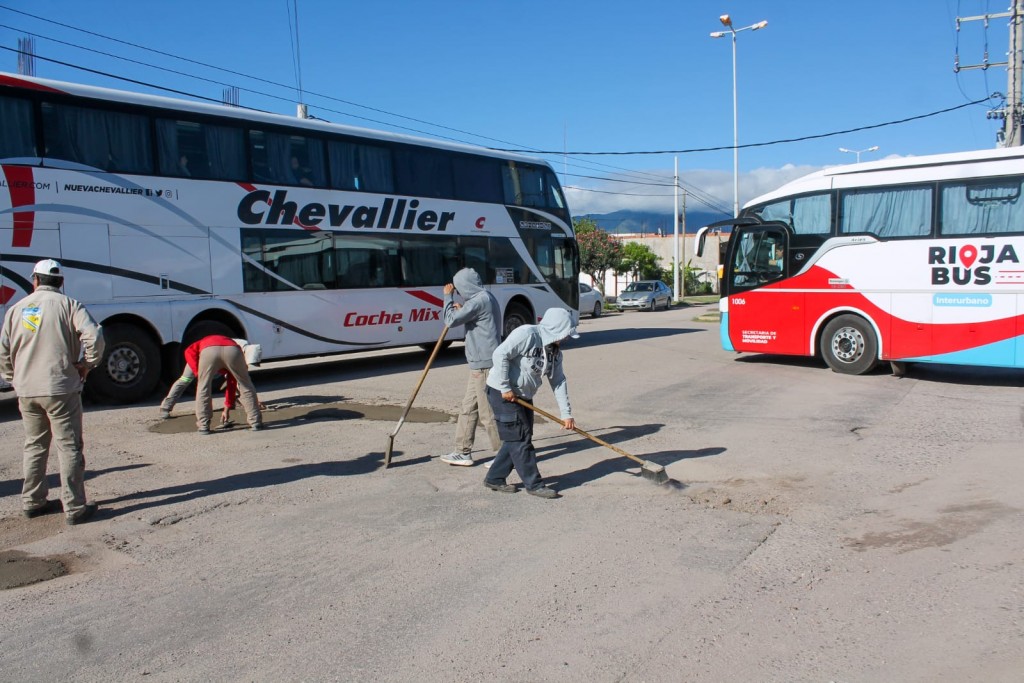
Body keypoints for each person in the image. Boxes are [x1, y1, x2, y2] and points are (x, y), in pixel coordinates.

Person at [0, 259, 105, 525]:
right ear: (61, 282)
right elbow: (95, 336)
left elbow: (4, 350)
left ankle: (33, 502)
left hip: (26, 390)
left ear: (34, 280)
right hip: (59, 387)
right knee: (68, 445)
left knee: (35, 445)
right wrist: (87, 364)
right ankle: (74, 507)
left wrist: (14, 378)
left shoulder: (16, 310)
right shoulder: (70, 305)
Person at [483, 307, 578, 499]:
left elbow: (558, 381)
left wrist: (566, 414)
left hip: (523, 395)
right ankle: (534, 484)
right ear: (555, 328)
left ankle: (494, 477)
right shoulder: (527, 334)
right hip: (502, 393)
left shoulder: (555, 352)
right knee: (519, 439)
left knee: (519, 436)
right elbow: (500, 354)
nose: (566, 338)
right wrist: (504, 387)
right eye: (565, 333)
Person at [439, 268, 502, 467]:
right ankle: (462, 451)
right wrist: (461, 307)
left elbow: (450, 321)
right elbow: (470, 314)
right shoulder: (485, 297)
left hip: (484, 365)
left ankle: (505, 455)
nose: (458, 292)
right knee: (468, 408)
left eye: (458, 289)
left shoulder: (479, 300)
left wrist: (447, 298)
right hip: (478, 364)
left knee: (488, 413)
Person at [159, 337, 262, 421]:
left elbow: (231, 382)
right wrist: (197, 372)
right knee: (185, 379)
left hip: (209, 353)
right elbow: (189, 351)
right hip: (199, 356)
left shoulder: (241, 348)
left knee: (202, 386)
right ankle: (166, 407)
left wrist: (227, 406)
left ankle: (203, 424)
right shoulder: (237, 350)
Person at [184, 335, 263, 434]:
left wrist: (198, 374)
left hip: (209, 352)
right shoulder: (239, 347)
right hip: (233, 352)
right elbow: (232, 383)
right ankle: (255, 422)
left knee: (203, 387)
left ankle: (203, 426)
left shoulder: (203, 341)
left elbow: (188, 351)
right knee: (245, 385)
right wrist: (228, 406)